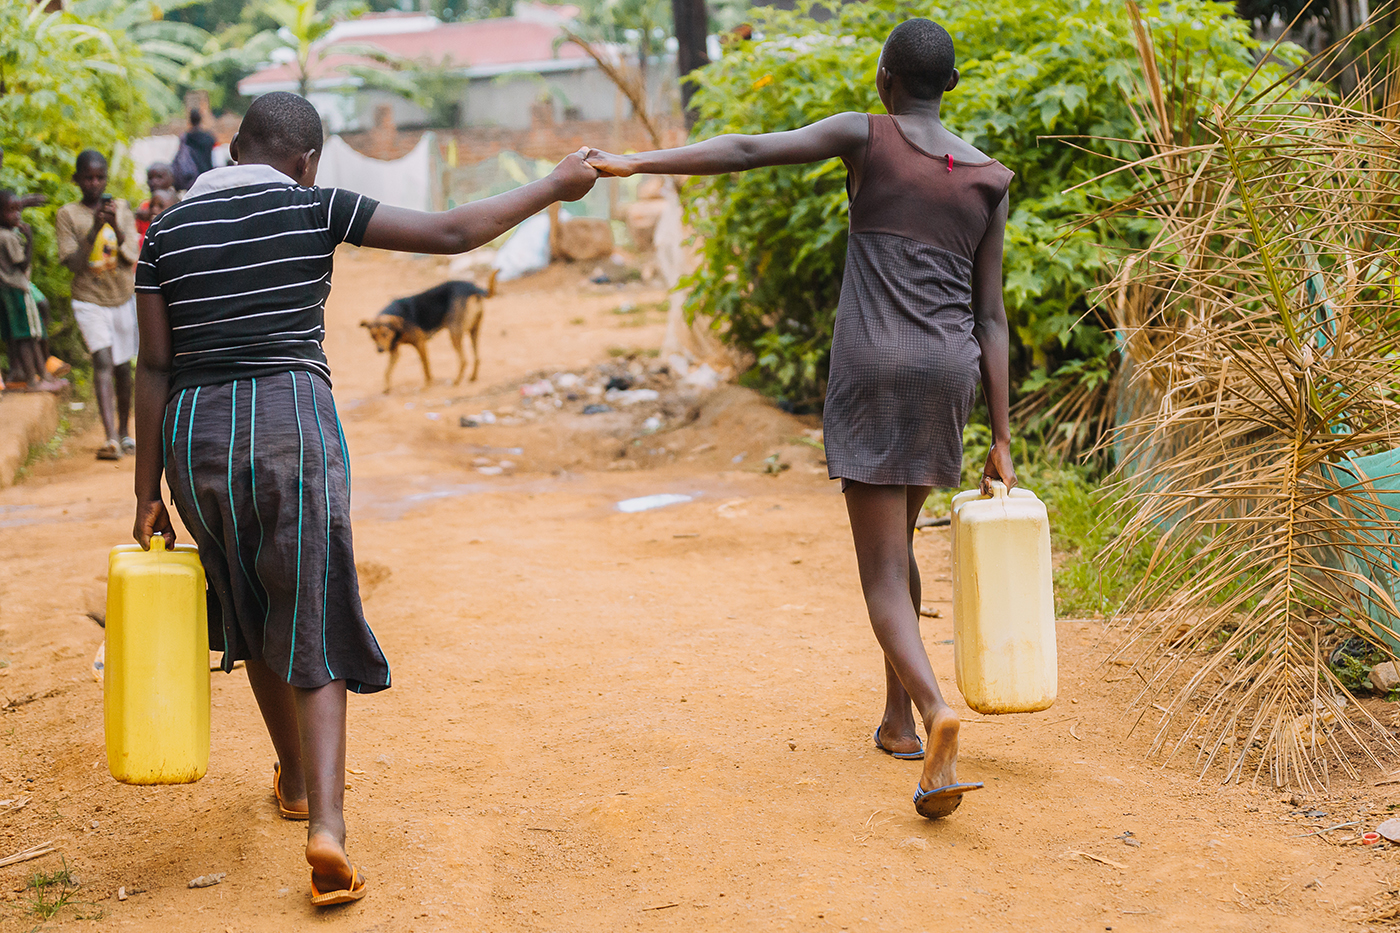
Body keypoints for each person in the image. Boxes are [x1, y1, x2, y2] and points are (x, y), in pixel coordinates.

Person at [131, 91, 597, 906]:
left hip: (194, 436)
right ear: (306, 161)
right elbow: (452, 232)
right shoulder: (316, 206)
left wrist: (144, 492)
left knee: (247, 604)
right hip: (291, 423)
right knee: (311, 610)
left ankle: (294, 782)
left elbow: (151, 368)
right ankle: (328, 831)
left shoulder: (164, 232)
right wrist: (553, 186)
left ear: (235, 150)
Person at [585, 18, 1017, 821]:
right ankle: (896, 721)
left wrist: (634, 161)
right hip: (947, 375)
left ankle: (933, 711)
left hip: (873, 367)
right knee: (904, 541)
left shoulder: (867, 135)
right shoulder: (989, 177)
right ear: (949, 87)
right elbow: (992, 318)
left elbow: (749, 149)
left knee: (882, 571)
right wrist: (1000, 433)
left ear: (885, 78)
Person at [56, 150, 140, 459]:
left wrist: (115, 226)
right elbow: (74, 264)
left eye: (99, 177)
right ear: (76, 179)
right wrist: (93, 229)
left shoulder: (122, 209)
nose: (94, 183)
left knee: (122, 367)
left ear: (106, 178)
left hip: (121, 296)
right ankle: (110, 439)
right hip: (89, 298)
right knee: (103, 361)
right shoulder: (68, 215)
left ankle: (124, 431)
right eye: (88, 177)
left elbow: (132, 254)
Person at [0, 190, 64, 391]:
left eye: (18, 210)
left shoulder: (6, 234)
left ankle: (41, 376)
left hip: (11, 290)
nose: (17, 215)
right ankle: (32, 380)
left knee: (30, 334)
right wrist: (30, 240)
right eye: (11, 211)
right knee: (27, 336)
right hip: (17, 289)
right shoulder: (7, 237)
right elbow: (22, 263)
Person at [134, 162, 179, 241]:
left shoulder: (181, 204)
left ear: (171, 178)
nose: (154, 182)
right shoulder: (144, 206)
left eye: (159, 177)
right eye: (150, 178)